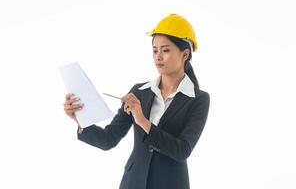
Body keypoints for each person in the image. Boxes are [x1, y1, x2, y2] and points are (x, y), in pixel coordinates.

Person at [63, 13, 210, 189]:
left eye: (165, 50)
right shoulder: (139, 92)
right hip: (133, 183)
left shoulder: (198, 99)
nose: (158, 57)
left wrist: (142, 121)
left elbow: (182, 150)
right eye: (155, 50)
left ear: (185, 54)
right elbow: (108, 139)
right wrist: (79, 119)